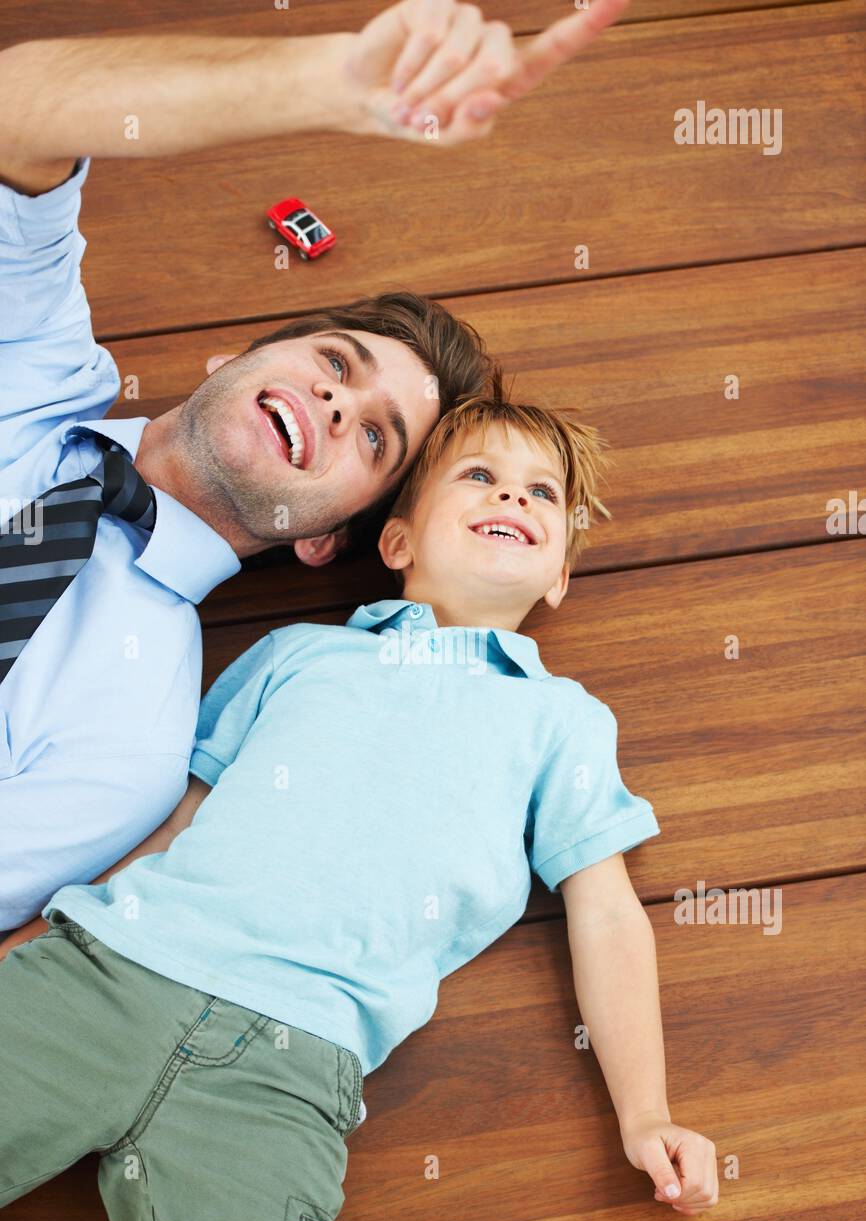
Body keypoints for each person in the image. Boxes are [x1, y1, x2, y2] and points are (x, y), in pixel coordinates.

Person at [0, 379, 718, 1221]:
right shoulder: (298, 654)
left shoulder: (560, 721)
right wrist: (42, 938)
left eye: (543, 495)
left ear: (561, 576)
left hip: (288, 1063)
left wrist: (646, 1113)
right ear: (398, 541)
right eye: (481, 477)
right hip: (106, 976)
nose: (513, 499)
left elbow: (609, 916)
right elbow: (177, 820)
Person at [0, 0, 630, 932]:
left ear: (328, 537)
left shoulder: (131, 744)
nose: (338, 406)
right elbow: (17, 110)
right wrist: (328, 82)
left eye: (375, 439)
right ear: (231, 362)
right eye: (336, 364)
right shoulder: (36, 364)